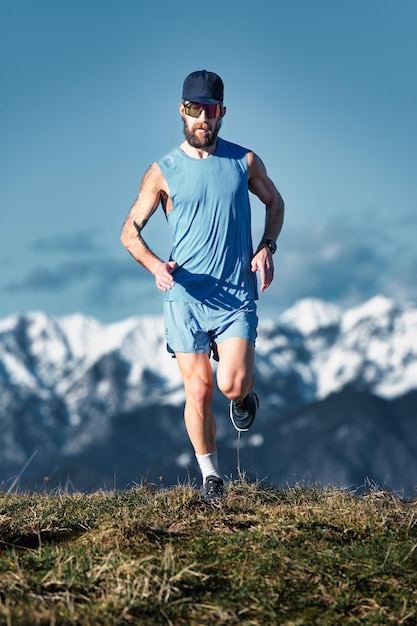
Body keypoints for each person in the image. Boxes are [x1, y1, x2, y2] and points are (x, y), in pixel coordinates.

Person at [121, 69, 284, 503]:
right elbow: (129, 232)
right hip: (185, 296)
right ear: (182, 110)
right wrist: (157, 266)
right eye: (194, 110)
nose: (202, 120)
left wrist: (267, 245)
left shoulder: (244, 161)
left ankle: (244, 395)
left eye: (210, 111)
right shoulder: (162, 171)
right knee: (198, 389)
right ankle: (211, 476)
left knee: (231, 386)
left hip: (234, 294)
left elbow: (275, 202)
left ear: (221, 113)